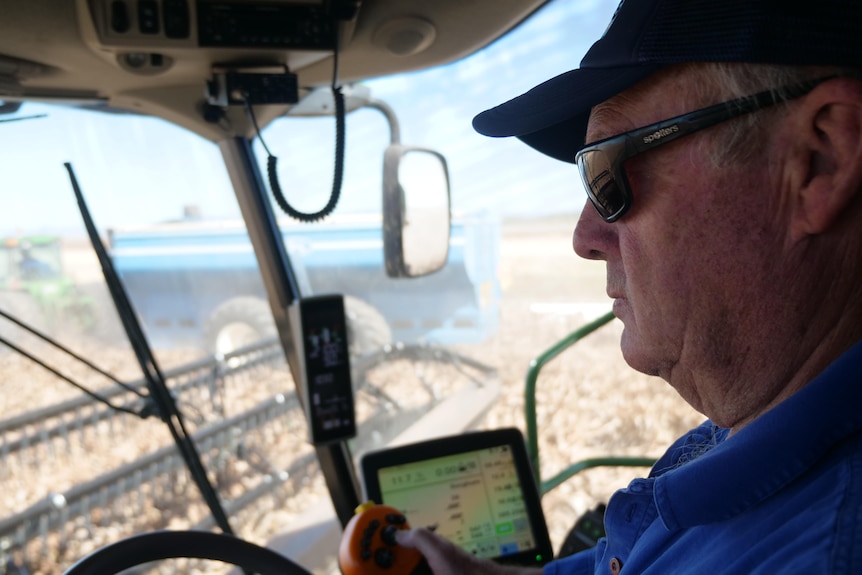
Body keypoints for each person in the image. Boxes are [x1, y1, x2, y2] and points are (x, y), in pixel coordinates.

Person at [395, 0, 862, 573]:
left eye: (606, 173)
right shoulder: (766, 432)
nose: (584, 237)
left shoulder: (820, 551)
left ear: (821, 159)